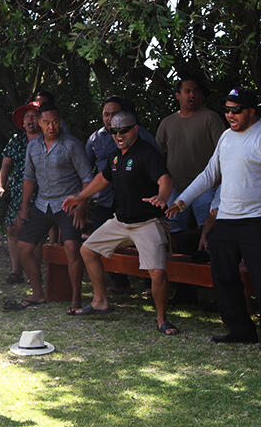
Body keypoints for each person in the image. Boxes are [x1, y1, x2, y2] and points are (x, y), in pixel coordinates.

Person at [166, 88, 261, 357]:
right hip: (226, 219)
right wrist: (183, 200)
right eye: (227, 110)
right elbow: (210, 173)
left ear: (251, 111)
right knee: (223, 276)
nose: (230, 115)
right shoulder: (225, 137)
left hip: (257, 220)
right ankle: (240, 330)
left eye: (236, 110)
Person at [63, 111, 178, 333]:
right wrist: (80, 196)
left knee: (157, 272)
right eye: (113, 131)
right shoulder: (116, 156)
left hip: (147, 222)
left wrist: (162, 197)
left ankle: (162, 319)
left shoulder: (147, 153)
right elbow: (102, 179)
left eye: (123, 130)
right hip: (121, 222)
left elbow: (165, 179)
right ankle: (100, 302)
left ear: (135, 128)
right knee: (87, 250)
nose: (118, 135)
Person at [16, 102, 93, 313]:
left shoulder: (71, 145)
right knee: (23, 246)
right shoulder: (33, 147)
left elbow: (88, 179)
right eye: (47, 123)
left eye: (55, 122)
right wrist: (24, 208)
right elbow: (29, 179)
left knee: (71, 248)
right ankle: (38, 292)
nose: (52, 127)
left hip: (68, 204)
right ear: (40, 123)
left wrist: (81, 205)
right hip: (43, 203)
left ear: (60, 122)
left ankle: (76, 298)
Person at [86, 96, 158, 293]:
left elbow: (158, 168)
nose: (110, 119)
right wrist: (81, 199)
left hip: (139, 203)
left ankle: (149, 285)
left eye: (114, 114)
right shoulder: (95, 138)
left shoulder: (141, 136)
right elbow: (88, 172)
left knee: (144, 245)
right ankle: (120, 284)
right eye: (106, 115)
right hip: (107, 200)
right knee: (95, 244)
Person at [156, 77, 225, 245]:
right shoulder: (167, 123)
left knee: (208, 227)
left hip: (205, 186)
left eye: (195, 91)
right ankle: (179, 265)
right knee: (174, 228)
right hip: (175, 186)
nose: (192, 95)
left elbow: (224, 150)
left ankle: (209, 265)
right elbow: (158, 155)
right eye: (187, 91)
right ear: (177, 95)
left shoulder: (211, 118)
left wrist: (220, 179)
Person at [0, 101, 42, 284]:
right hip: (17, 191)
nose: (30, 120)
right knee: (12, 229)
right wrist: (2, 186)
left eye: (34, 115)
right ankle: (15, 271)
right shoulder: (16, 140)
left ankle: (35, 274)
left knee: (36, 232)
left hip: (42, 191)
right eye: (27, 116)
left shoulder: (47, 139)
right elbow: (6, 165)